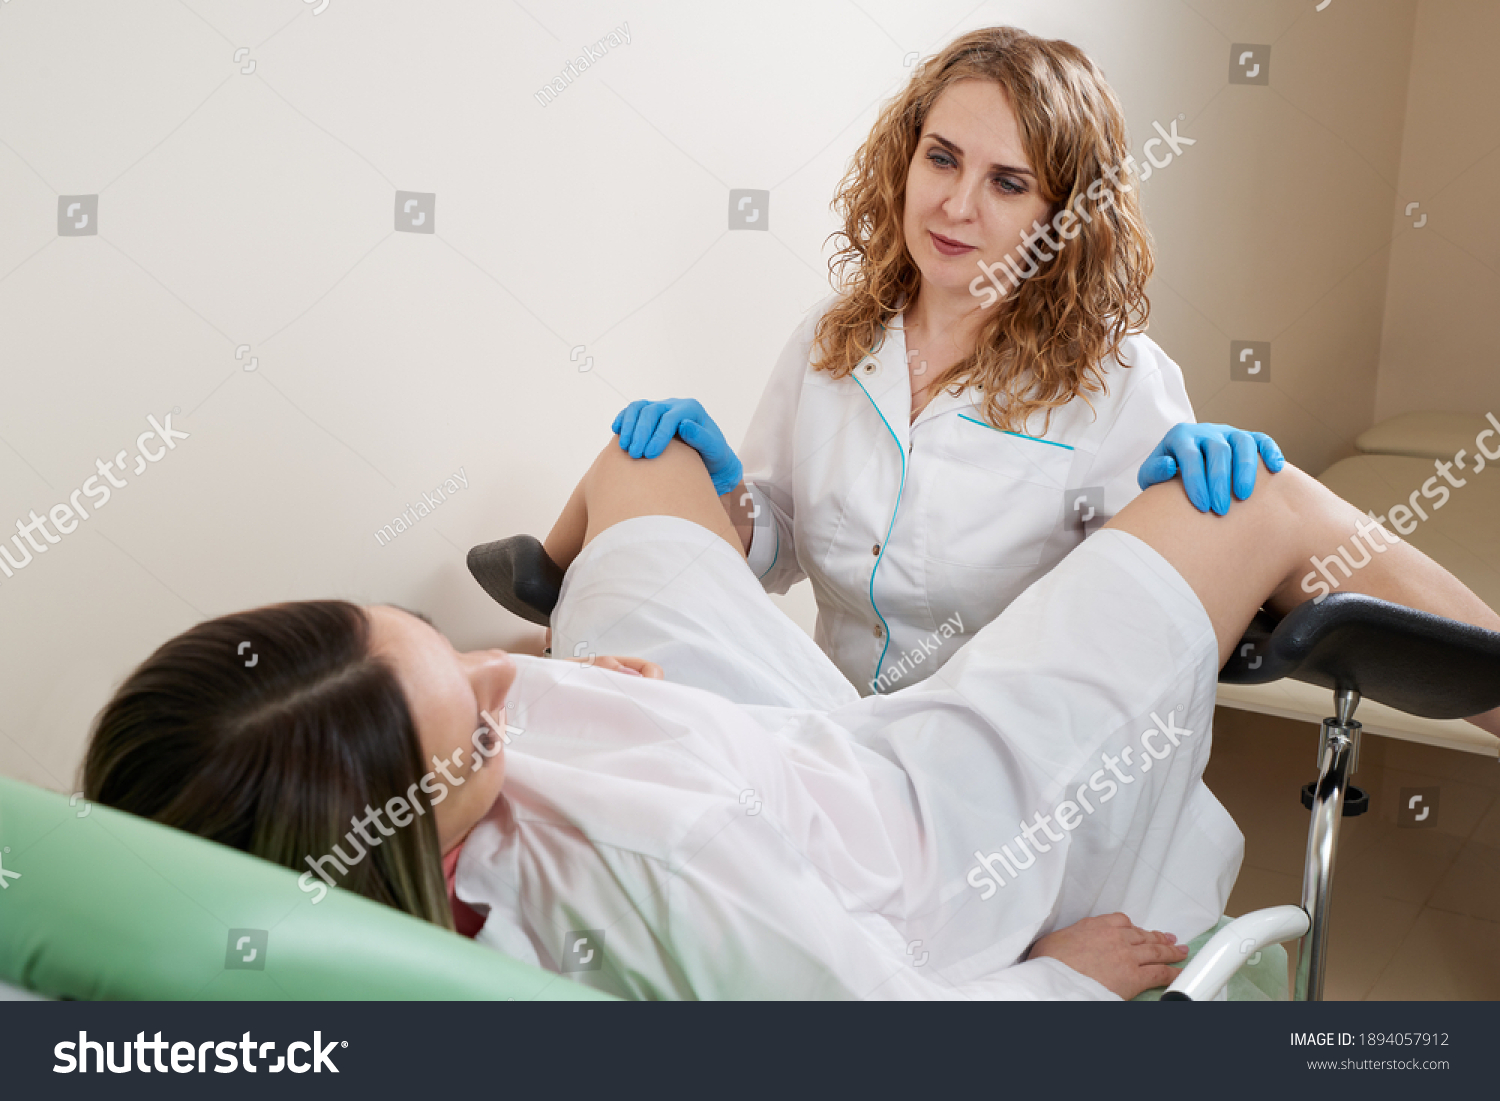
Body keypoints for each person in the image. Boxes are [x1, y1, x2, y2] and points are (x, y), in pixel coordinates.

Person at [82, 435, 1500, 1001]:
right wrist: (1054, 975)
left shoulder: (315, 815)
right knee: (1243, 497)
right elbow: (881, 1033)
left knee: (642, 473)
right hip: (915, 816)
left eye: (471, 656)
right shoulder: (665, 877)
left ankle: (557, 643)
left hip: (725, 733)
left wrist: (552, 684)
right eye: (482, 727)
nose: (510, 675)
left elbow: (486, 719)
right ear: (416, 828)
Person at [467, 26, 1284, 698]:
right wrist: (735, 503)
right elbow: (778, 542)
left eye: (1007, 182)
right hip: (824, 718)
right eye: (942, 157)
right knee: (648, 466)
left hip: (990, 767)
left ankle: (555, 631)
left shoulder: (1118, 383)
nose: (956, 205)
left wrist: (1218, 506)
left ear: (1065, 215)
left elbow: (1157, 616)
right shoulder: (837, 336)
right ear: (906, 157)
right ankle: (564, 635)